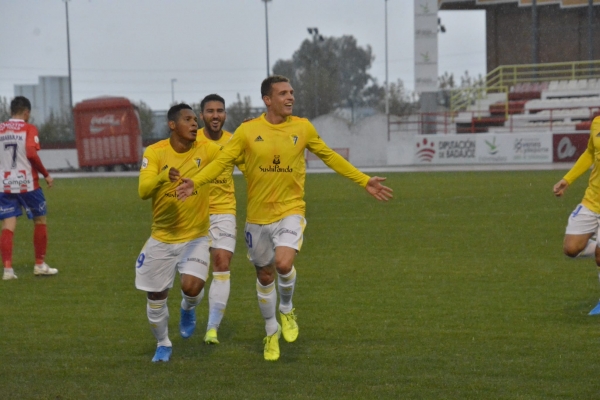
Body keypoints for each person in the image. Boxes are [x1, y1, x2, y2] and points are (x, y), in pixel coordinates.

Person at [176, 75, 393, 361]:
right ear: (267, 99)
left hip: (290, 210)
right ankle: (270, 332)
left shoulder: (302, 128)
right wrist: (195, 182)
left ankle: (287, 310)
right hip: (257, 219)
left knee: (283, 262)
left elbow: (329, 156)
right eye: (283, 93)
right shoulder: (247, 131)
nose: (290, 97)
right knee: (265, 276)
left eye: (291, 92)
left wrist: (364, 180)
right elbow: (220, 164)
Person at [136, 103, 221, 362]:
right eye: (188, 119)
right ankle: (163, 343)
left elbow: (231, 157)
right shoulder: (155, 152)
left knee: (191, 288)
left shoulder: (207, 149)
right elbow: (143, 191)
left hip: (195, 236)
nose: (195, 124)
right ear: (172, 125)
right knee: (156, 296)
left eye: (196, 120)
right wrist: (163, 177)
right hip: (161, 237)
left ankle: (188, 308)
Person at [197, 94, 244, 344]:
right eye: (210, 111)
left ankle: (212, 328)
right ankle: (188, 306)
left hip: (224, 211)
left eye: (220, 111)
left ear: (225, 115)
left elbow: (253, 165)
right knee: (192, 283)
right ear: (201, 115)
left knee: (222, 264)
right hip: (194, 214)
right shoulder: (191, 141)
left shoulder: (234, 141)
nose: (216, 115)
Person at [0, 96, 56, 280]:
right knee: (40, 221)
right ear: (26, 112)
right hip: (28, 184)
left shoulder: (0, 129)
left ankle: (8, 270)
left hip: (5, 184)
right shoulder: (29, 128)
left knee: (8, 226)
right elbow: (31, 153)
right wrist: (46, 174)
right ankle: (39, 264)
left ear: (11, 111)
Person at [553, 115, 600, 314]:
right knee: (571, 248)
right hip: (592, 201)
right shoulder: (597, 123)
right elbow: (590, 152)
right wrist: (568, 179)